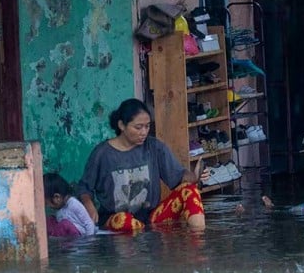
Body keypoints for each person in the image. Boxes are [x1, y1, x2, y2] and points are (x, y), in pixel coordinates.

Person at [76, 98, 209, 233]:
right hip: (116, 219)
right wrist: (88, 204)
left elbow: (178, 177)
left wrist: (195, 176)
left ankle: (198, 243)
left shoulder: (154, 147)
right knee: (125, 221)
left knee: (190, 190)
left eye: (147, 126)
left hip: (151, 219)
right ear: (122, 125)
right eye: (138, 127)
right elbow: (84, 188)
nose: (144, 132)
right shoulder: (102, 154)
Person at [44, 173, 97, 237]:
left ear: (57, 197)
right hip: (66, 234)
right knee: (49, 220)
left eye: (47, 203)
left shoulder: (74, 204)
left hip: (79, 237)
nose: (47, 206)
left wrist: (89, 241)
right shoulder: (59, 208)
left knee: (65, 224)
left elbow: (89, 223)